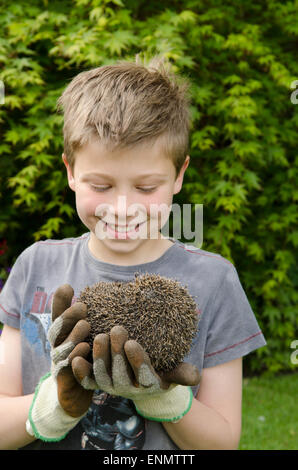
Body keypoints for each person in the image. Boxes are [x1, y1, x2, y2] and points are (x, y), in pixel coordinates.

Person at [0, 56, 266, 450]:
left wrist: (162, 396)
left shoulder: (214, 280)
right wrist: (53, 407)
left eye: (146, 188)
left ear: (179, 175)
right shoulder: (35, 265)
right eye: (101, 185)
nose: (122, 208)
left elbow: (222, 441)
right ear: (71, 171)